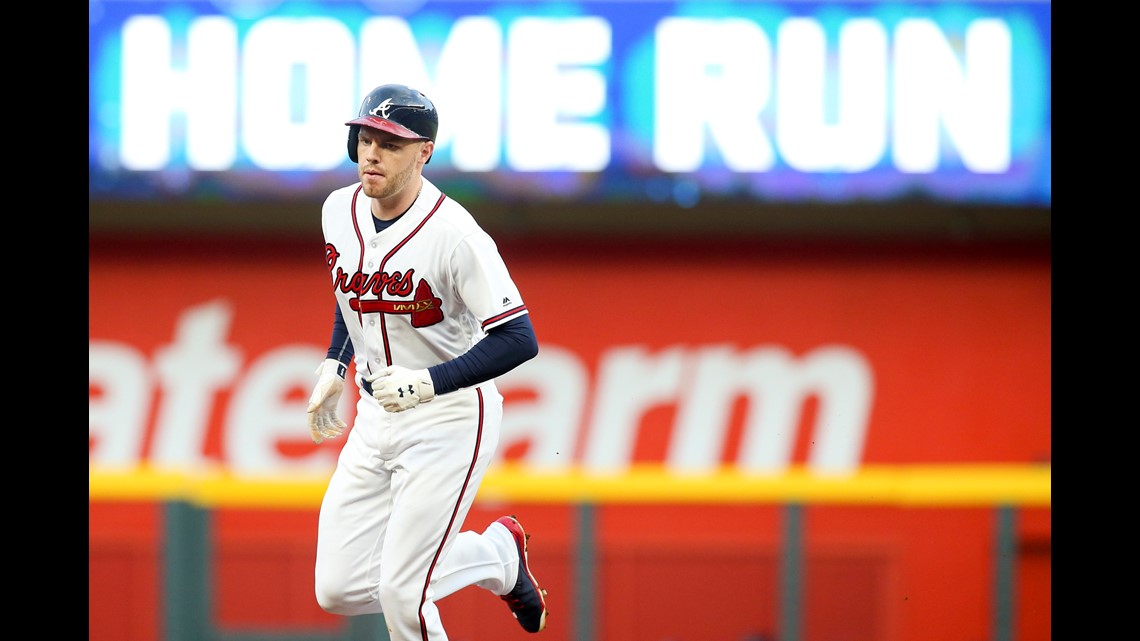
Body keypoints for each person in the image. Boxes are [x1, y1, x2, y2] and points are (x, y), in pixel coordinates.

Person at [305, 83, 548, 639]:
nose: (372, 153)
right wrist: (335, 365)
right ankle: (496, 557)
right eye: (365, 138)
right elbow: (358, 296)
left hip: (449, 417)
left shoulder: (456, 235)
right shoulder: (337, 211)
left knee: (402, 595)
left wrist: (426, 385)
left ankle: (486, 561)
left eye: (390, 143)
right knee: (338, 588)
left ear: (424, 152)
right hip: (375, 417)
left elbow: (518, 338)